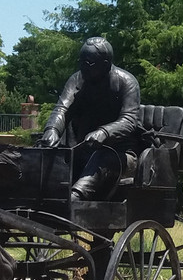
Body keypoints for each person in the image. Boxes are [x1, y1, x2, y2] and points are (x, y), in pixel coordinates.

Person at [39, 36, 142, 201]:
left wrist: (104, 132)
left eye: (89, 63)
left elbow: (130, 120)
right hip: (82, 150)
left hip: (120, 155)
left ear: (106, 63)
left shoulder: (126, 82)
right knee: (49, 151)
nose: (83, 67)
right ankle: (39, 196)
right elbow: (63, 108)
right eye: (81, 62)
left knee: (102, 157)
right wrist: (52, 130)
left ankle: (74, 199)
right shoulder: (77, 79)